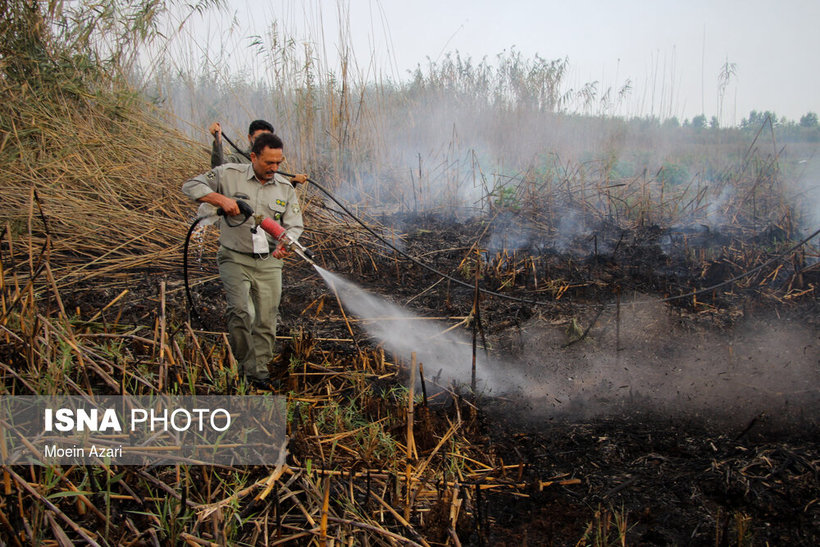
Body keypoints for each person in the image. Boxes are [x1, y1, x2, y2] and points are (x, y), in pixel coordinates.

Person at [183, 133, 305, 389]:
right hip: (234, 257)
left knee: (265, 319)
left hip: (269, 262)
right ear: (253, 157)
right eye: (268, 163)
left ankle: (258, 373)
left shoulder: (285, 187)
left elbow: (294, 226)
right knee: (241, 312)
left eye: (278, 163)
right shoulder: (228, 174)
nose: (274, 168)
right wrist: (221, 199)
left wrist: (286, 244)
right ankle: (244, 366)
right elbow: (191, 186)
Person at [209, 119, 274, 168]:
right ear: (249, 138)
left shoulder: (274, 163)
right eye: (258, 139)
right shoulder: (238, 160)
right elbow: (219, 168)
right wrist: (218, 139)